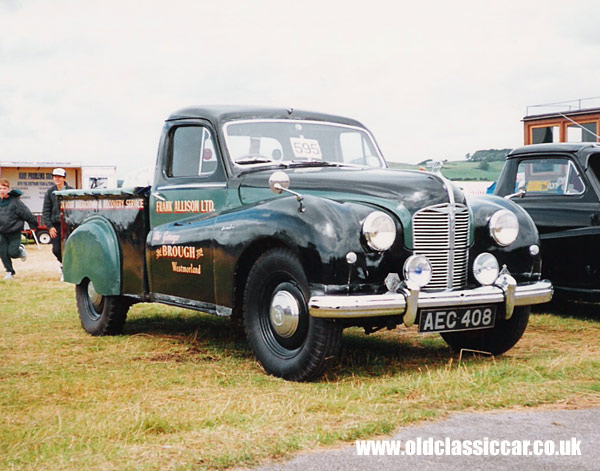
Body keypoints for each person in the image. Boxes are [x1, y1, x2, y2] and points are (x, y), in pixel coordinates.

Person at [0, 178, 38, 280]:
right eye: (0, 188)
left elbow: (26, 213)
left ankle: (20, 251)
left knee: (12, 253)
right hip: (1, 233)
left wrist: (33, 225)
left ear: (8, 189)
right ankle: (9, 272)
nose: (2, 190)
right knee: (2, 252)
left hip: (14, 232)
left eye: (4, 188)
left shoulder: (15, 202)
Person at [42, 168, 72, 277]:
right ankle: (63, 264)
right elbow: (46, 211)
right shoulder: (50, 192)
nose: (57, 179)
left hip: (69, 225)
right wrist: (49, 227)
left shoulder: (71, 191)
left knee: (70, 248)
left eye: (59, 176)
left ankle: (68, 268)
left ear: (64, 178)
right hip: (56, 225)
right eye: (55, 176)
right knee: (56, 249)